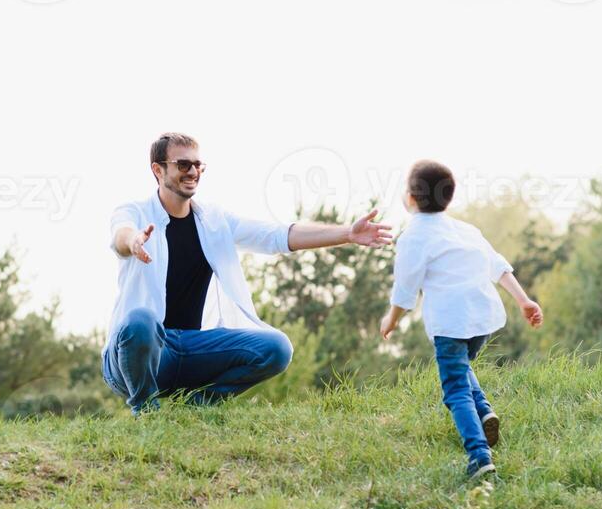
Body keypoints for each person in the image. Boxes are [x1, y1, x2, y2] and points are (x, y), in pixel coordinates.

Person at [103, 132, 393, 414]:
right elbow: (121, 235)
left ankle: (199, 407)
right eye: (183, 165)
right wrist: (134, 241)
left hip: (189, 348)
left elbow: (277, 236)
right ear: (158, 170)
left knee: (277, 347)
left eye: (197, 165)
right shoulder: (135, 212)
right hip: (133, 357)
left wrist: (347, 234)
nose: (192, 171)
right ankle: (146, 409)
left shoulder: (214, 220)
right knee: (140, 320)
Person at [379, 160, 544, 481]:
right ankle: (483, 411)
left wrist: (392, 319)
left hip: (451, 323)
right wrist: (524, 300)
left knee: (454, 388)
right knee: (461, 366)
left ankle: (479, 456)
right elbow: (497, 265)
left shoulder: (413, 237)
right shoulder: (466, 231)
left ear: (410, 198)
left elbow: (405, 287)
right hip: (482, 319)